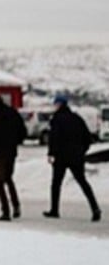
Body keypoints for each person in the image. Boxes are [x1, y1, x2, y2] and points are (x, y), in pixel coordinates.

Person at [43, 94, 101, 222]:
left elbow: (54, 138)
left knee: (56, 184)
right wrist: (81, 151)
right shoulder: (77, 118)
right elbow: (87, 138)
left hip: (61, 157)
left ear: (59, 105)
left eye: (56, 104)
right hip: (76, 157)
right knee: (83, 182)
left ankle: (54, 209)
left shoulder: (56, 119)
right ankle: (95, 208)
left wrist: (51, 153)